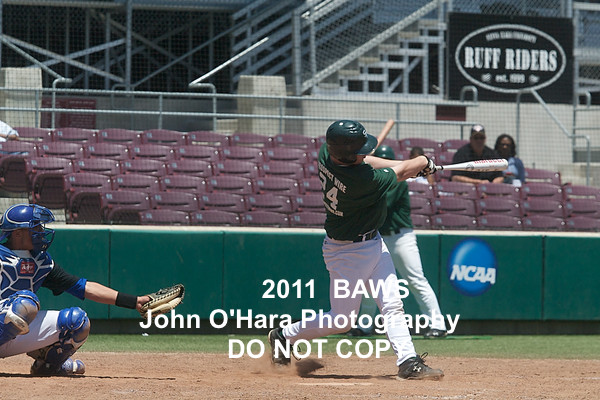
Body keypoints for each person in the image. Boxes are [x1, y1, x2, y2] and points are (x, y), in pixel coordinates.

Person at [268, 120, 444, 380]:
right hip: (347, 253)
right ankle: (284, 335)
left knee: (392, 304)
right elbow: (399, 172)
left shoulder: (327, 152)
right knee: (342, 321)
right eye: (359, 150)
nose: (364, 153)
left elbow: (368, 161)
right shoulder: (360, 182)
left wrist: (409, 166)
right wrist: (422, 161)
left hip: (373, 242)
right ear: (347, 155)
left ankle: (408, 361)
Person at [0, 203, 151, 376]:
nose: (41, 232)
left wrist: (134, 301)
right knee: (25, 303)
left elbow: (84, 287)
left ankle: (48, 366)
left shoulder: (41, 262)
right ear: (17, 233)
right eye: (35, 227)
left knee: (77, 321)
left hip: (16, 331)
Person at [349, 145, 448, 339]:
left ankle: (438, 325)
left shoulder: (397, 181)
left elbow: (379, 202)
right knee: (370, 284)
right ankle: (364, 326)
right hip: (378, 237)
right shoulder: (372, 180)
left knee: (416, 280)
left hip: (400, 237)